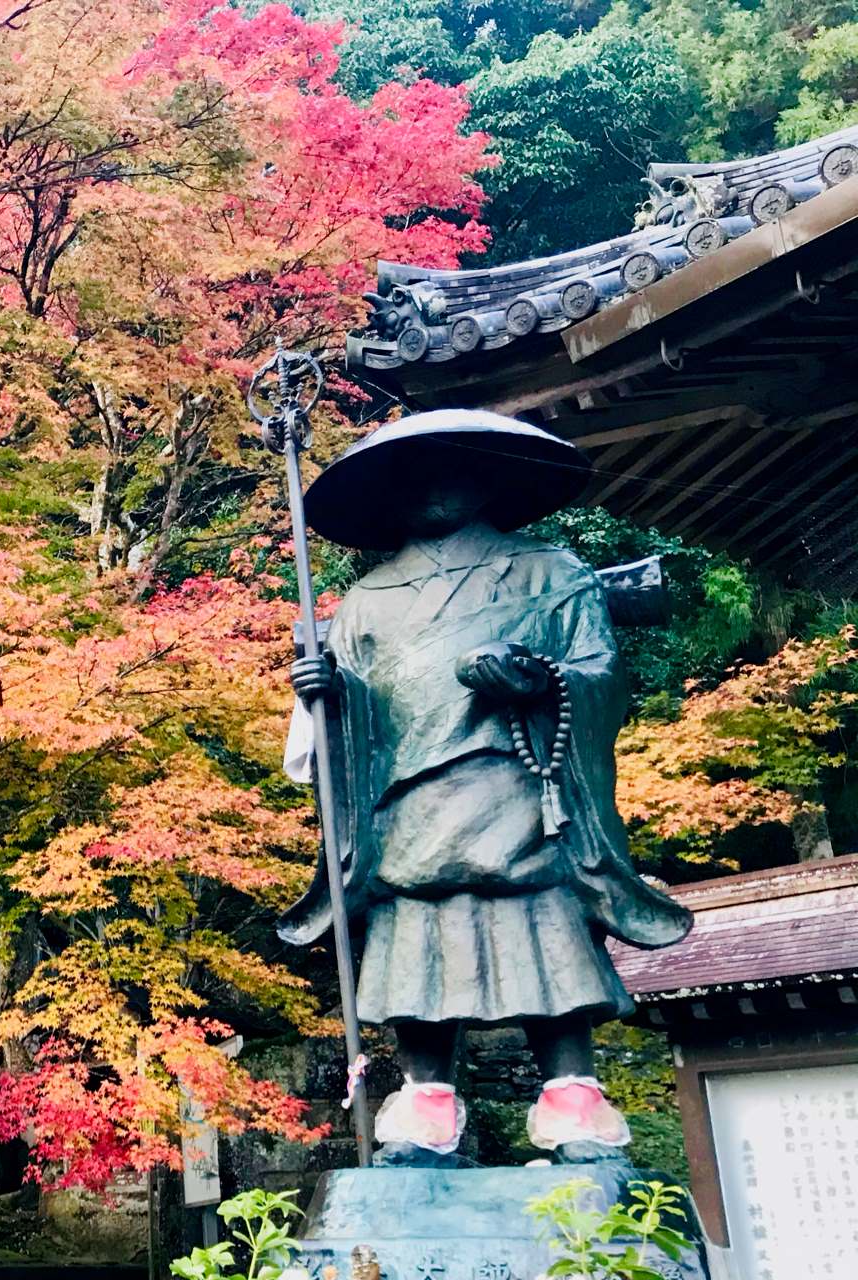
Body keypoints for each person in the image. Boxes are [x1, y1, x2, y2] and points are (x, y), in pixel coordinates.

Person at [278, 409, 692, 1167]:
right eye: (415, 474)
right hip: (409, 805)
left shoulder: (551, 571)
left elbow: (602, 674)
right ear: (390, 493)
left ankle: (572, 1091)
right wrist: (325, 693)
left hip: (519, 790)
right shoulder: (364, 602)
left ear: (489, 474)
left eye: (452, 466)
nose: (436, 486)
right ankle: (426, 1102)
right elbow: (351, 718)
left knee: (547, 929)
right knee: (416, 941)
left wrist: (539, 679)